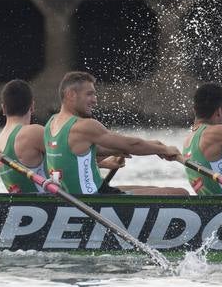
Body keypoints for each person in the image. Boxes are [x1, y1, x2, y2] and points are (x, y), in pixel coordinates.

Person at [45, 71, 184, 195]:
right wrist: (164, 149)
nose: (95, 100)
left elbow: (78, 155)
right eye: (89, 94)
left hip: (76, 195)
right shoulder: (84, 126)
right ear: (71, 95)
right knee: (180, 193)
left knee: (152, 188)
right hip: (93, 198)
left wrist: (152, 146)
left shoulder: (51, 124)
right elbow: (131, 144)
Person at [183, 83, 222, 195]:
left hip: (214, 204)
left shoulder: (189, 140)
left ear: (195, 110)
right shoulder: (216, 132)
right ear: (219, 112)